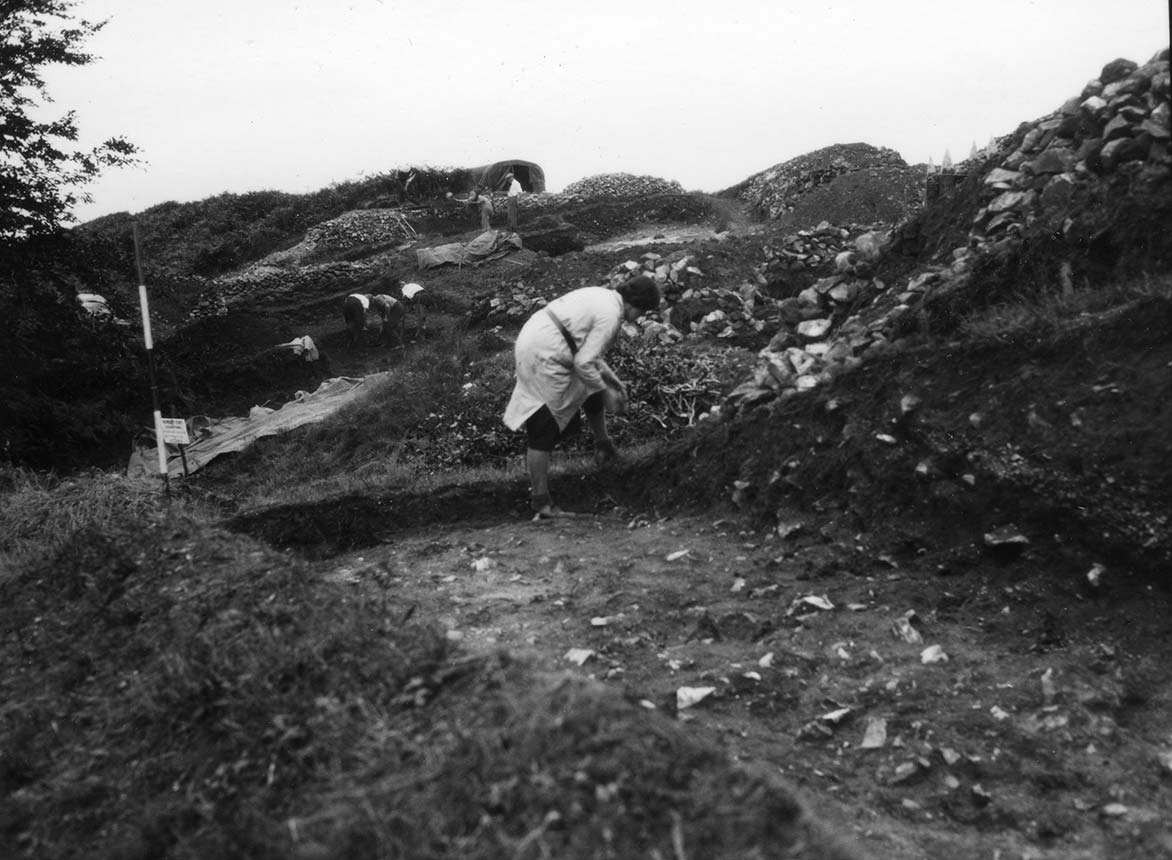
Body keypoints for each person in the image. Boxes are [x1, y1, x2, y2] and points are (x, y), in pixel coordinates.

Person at [503, 275, 662, 520]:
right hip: (544, 351)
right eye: (641, 312)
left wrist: (613, 382)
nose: (639, 317)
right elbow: (584, 362)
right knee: (543, 423)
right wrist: (607, 391)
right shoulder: (611, 315)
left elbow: (589, 355)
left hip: (541, 338)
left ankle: (604, 447)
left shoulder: (605, 298)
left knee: (590, 385)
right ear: (635, 305)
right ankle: (541, 503)